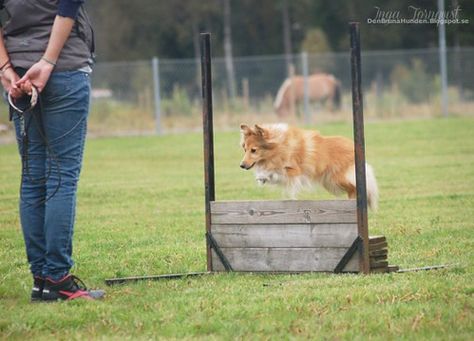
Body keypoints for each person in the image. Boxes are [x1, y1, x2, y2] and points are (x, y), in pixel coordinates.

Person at [0, 0, 104, 301]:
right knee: (61, 177)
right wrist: (47, 61)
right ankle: (57, 279)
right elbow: (67, 8)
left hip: (18, 73)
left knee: (33, 179)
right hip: (64, 70)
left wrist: (5, 68)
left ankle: (41, 281)